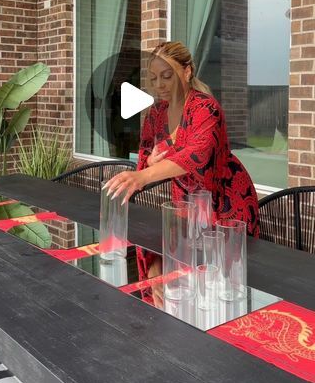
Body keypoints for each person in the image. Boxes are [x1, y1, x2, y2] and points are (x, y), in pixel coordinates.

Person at [105, 41, 259, 301]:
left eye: (167, 75)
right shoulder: (156, 113)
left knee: (217, 291)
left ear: (187, 71)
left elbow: (195, 155)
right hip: (186, 207)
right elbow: (144, 158)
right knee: (164, 276)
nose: (160, 85)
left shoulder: (206, 108)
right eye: (153, 78)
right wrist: (149, 162)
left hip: (225, 204)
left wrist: (143, 174)